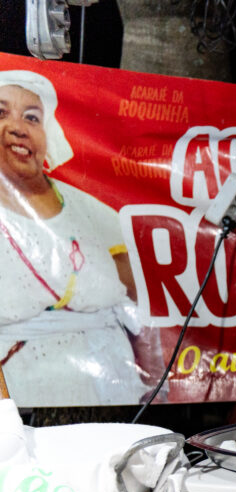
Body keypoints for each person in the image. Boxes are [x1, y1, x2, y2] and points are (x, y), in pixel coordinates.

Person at [0, 70, 150, 407]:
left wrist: (152, 387)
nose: (18, 127)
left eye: (32, 117)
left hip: (108, 384)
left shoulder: (93, 210)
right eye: (1, 112)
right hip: (17, 390)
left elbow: (140, 307)